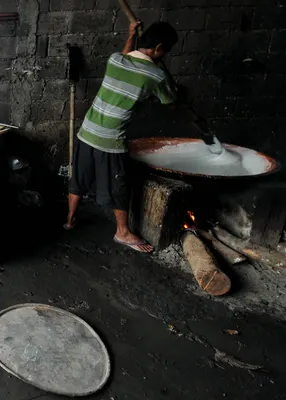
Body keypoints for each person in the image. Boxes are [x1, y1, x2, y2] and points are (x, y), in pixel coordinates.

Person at [65, 21, 179, 253]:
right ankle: (122, 232)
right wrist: (166, 77)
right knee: (120, 186)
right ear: (158, 48)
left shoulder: (115, 60)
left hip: (87, 131)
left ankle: (69, 219)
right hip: (110, 139)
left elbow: (127, 55)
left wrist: (129, 36)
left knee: (79, 177)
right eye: (165, 50)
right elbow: (170, 100)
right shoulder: (156, 75)